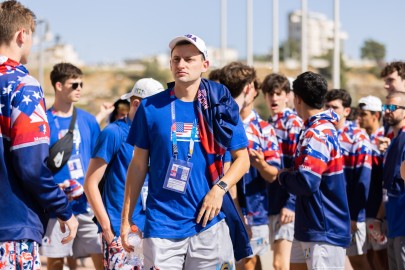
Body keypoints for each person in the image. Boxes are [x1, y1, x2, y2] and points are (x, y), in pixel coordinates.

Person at [120, 34, 251, 269]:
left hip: (209, 221)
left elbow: (243, 160)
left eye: (189, 59)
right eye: (176, 59)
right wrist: (126, 218)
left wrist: (219, 190)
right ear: (170, 64)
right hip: (162, 226)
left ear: (205, 64)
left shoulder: (220, 106)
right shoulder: (151, 108)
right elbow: (138, 165)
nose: (181, 65)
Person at [0, 1, 78, 268]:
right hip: (12, 228)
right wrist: (63, 209)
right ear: (22, 34)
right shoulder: (22, 85)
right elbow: (31, 166)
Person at [84, 78, 164, 269]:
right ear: (136, 104)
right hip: (121, 233)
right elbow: (90, 183)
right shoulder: (113, 133)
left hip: (153, 230)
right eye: (156, 107)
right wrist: (107, 229)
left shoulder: (156, 135)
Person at [278, 71, 351, 269]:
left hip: (323, 229)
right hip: (309, 226)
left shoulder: (318, 132)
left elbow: (307, 182)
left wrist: (282, 176)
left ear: (297, 99)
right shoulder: (315, 128)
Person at [40, 63, 103, 270]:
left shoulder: (88, 120)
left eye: (81, 84)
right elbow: (37, 165)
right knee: (56, 261)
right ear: (59, 86)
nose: (79, 89)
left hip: (87, 204)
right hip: (57, 206)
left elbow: (98, 160)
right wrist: (54, 188)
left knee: (99, 257)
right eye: (74, 84)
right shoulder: (44, 122)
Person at [220, 62, 281, 270]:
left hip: (256, 212)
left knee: (249, 264)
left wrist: (261, 164)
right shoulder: (219, 123)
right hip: (220, 210)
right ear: (249, 89)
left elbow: (274, 175)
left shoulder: (264, 129)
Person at [325, 89, 372, 269]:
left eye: (335, 107)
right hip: (329, 213)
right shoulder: (324, 133)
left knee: (358, 262)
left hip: (350, 215)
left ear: (346, 111)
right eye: (327, 107)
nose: (330, 111)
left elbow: (363, 180)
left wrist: (354, 216)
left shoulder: (358, 138)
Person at [261, 73, 303, 270]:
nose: (274, 98)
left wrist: (291, 203)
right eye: (270, 94)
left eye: (278, 93)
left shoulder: (292, 123)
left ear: (288, 95)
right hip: (271, 201)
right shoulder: (267, 124)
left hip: (286, 204)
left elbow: (298, 166)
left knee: (281, 264)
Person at [357, 96, 389, 270]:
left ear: (376, 115)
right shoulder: (362, 139)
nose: (360, 118)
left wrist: (379, 215)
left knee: (382, 259)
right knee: (366, 258)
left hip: (378, 212)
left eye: (364, 114)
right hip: (364, 210)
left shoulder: (385, 139)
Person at [374, 91, 405, 270]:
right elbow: (389, 187)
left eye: (392, 107)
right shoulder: (394, 141)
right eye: (385, 107)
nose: (387, 111)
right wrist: (379, 218)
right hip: (393, 224)